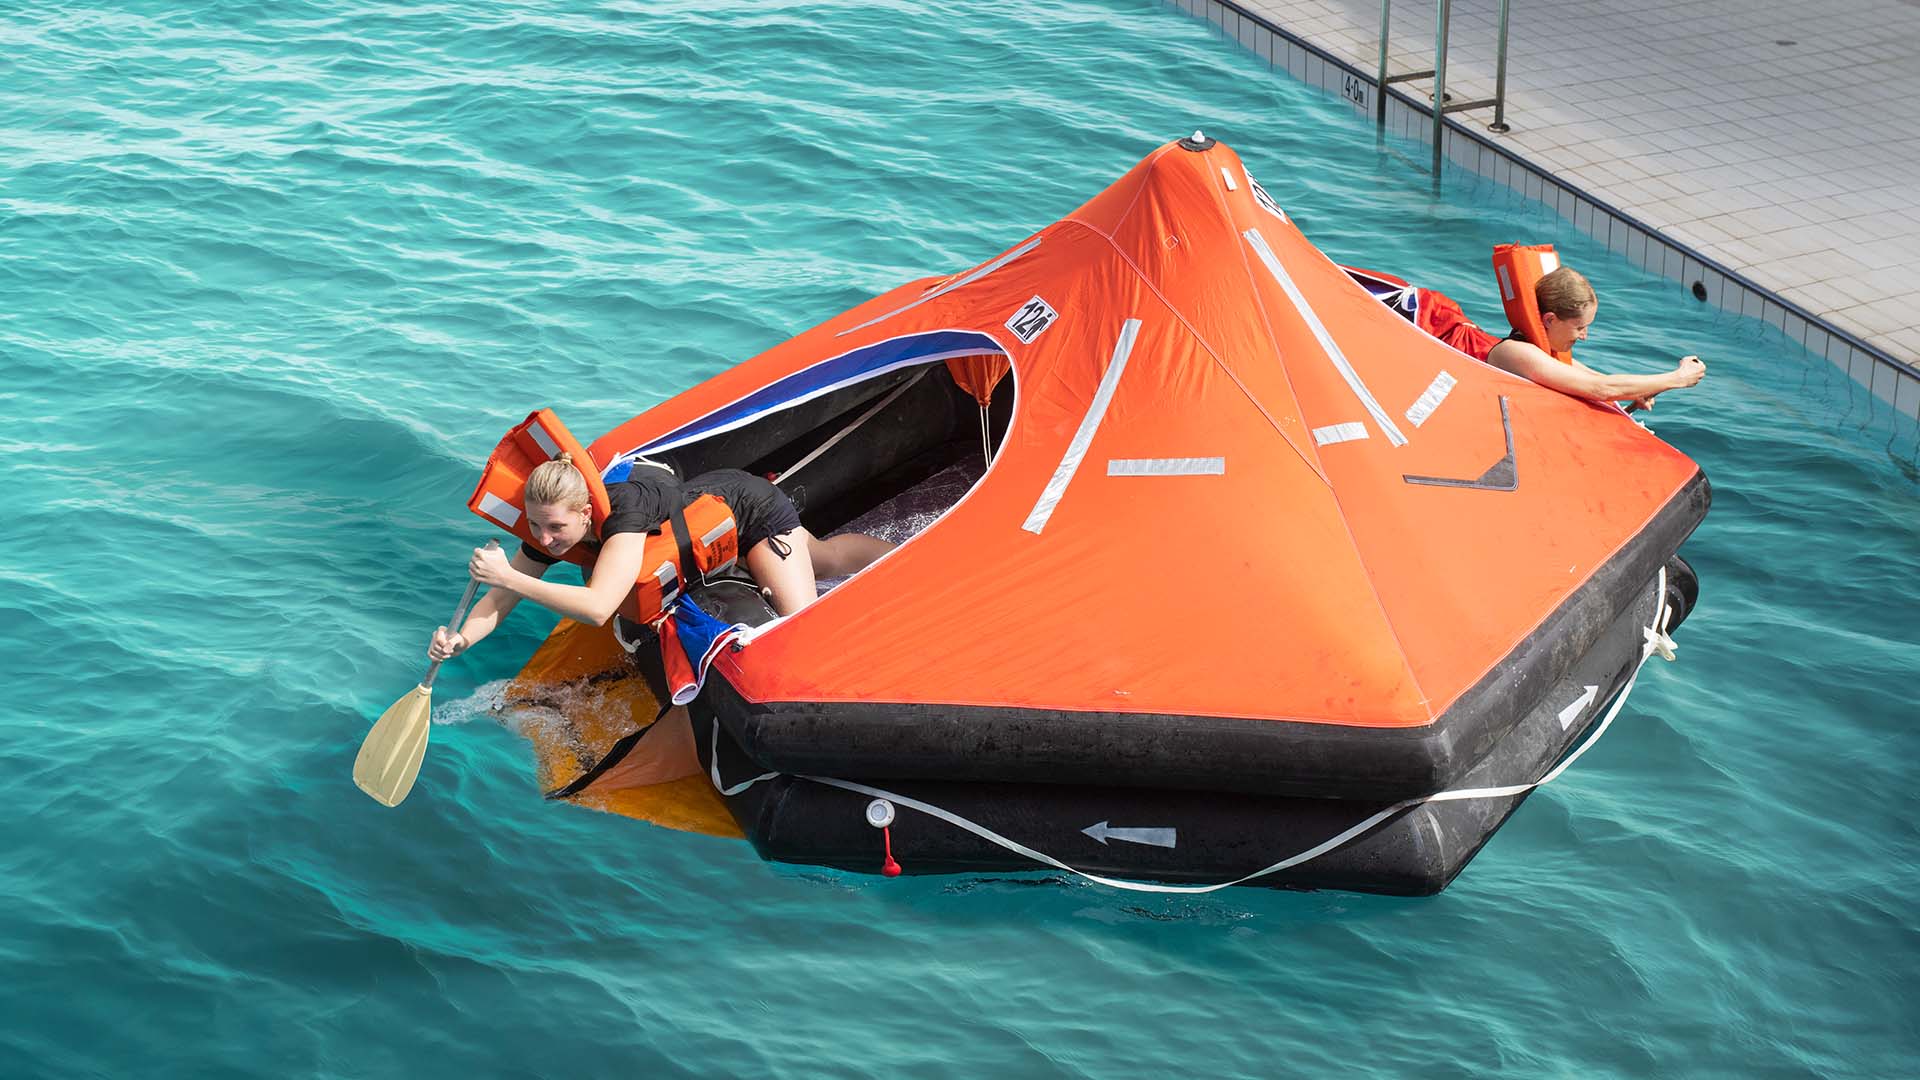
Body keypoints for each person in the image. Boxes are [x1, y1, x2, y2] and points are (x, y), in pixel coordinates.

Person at [427, 454, 894, 664]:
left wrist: (511, 576)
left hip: (748, 509)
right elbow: (499, 599)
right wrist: (461, 641)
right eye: (536, 525)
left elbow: (596, 607)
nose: (546, 540)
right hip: (705, 517)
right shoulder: (546, 531)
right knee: (817, 560)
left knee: (816, 581)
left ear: (587, 514)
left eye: (557, 528)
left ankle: (903, 555)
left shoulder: (623, 518)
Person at [1483, 266, 1705, 410]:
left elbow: (1601, 380)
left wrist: (1637, 392)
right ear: (1550, 320)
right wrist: (1679, 378)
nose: (1584, 337)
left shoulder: (1547, 354)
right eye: (1580, 327)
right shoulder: (1516, 352)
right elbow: (1601, 387)